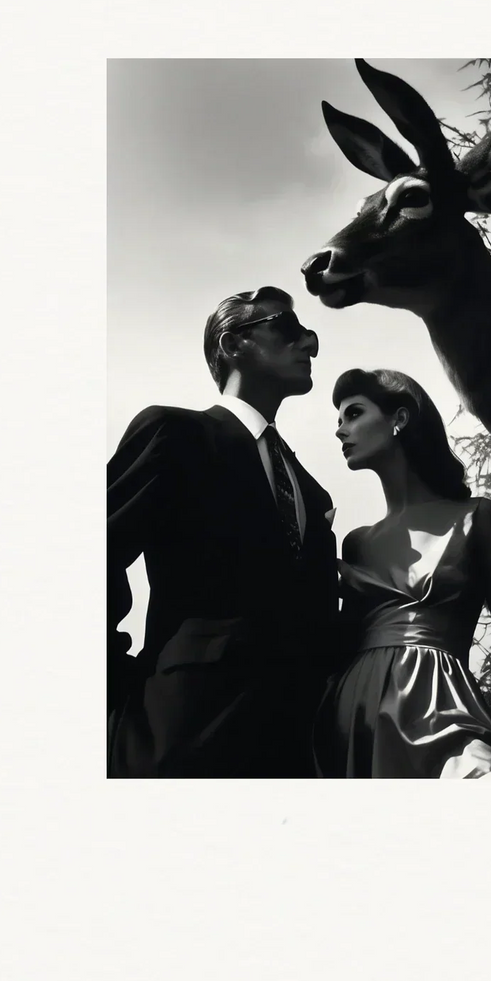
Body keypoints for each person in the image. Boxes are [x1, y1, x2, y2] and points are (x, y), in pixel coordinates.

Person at [106, 286, 341, 777]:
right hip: (180, 735)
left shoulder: (313, 495)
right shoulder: (173, 434)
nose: (311, 343)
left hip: (296, 752)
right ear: (234, 345)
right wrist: (119, 693)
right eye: (288, 328)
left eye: (309, 333)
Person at [315, 368, 491, 779]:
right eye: (340, 420)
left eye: (353, 414)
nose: (340, 430)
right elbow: (332, 651)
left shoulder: (477, 518)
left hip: (441, 705)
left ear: (399, 419)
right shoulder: (356, 543)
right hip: (357, 717)